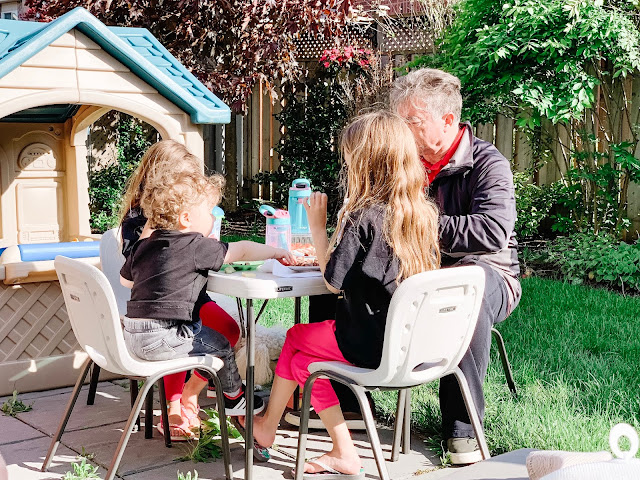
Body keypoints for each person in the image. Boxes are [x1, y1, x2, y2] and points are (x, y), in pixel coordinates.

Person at [248, 110, 441, 477]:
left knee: (294, 338)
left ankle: (281, 432)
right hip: (410, 344)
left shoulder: (362, 217)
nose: (345, 164)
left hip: (367, 344)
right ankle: (278, 431)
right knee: (304, 361)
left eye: (349, 158)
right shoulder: (421, 214)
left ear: (365, 164)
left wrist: (318, 230)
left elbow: (333, 282)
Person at [390, 68, 521, 464]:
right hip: (420, 273)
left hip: (491, 274)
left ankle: (463, 431)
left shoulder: (487, 164)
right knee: (343, 270)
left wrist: (418, 225)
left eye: (411, 122)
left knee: (468, 284)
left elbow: (491, 232)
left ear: (447, 121)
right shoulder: (404, 163)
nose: (402, 131)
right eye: (400, 122)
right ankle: (344, 400)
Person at [120, 168, 296, 441]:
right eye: (210, 211)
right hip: (163, 337)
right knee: (222, 345)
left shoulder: (145, 245)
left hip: (131, 338)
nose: (214, 218)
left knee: (208, 332)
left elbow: (124, 278)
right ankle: (235, 398)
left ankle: (201, 397)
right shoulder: (195, 246)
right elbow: (243, 250)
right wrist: (275, 251)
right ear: (186, 218)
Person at [118, 140, 241, 440]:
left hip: (194, 296)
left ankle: (191, 392)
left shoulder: (188, 211)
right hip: (161, 307)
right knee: (179, 331)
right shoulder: (136, 220)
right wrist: (154, 223)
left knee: (230, 331)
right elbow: (137, 270)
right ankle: (172, 405)